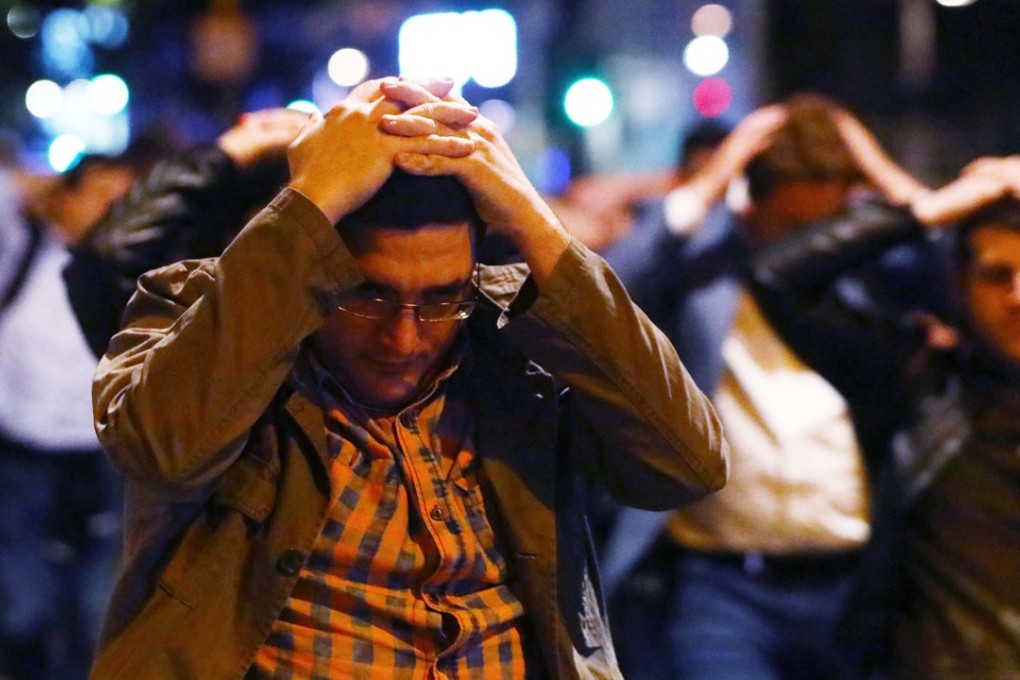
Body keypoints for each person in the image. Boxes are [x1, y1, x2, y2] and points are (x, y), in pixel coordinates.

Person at [88, 76, 728, 679]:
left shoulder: (512, 339)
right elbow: (162, 451)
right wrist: (311, 202)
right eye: (367, 296)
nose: (404, 337)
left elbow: (686, 465)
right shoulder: (204, 311)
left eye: (443, 297)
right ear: (319, 262)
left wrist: (537, 224)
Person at [598, 93, 952, 680]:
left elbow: (950, 265)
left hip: (853, 585)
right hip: (721, 587)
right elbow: (605, 288)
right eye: (791, 225)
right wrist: (712, 178)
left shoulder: (866, 270)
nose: (809, 243)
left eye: (827, 224)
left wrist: (881, 171)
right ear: (749, 204)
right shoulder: (703, 266)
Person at [750, 155, 1020, 679]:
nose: (1019, 297)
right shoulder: (921, 379)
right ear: (959, 284)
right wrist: (929, 211)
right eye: (997, 276)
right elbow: (776, 277)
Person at [0, 152, 144, 680]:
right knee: (24, 606)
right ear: (67, 197)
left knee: (97, 608)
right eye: (104, 199)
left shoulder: (140, 277)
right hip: (22, 463)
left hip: (102, 462)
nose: (117, 213)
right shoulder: (20, 251)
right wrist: (30, 185)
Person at [64, 107, 307, 357]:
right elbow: (106, 268)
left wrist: (231, 149)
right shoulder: (215, 327)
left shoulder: (265, 343)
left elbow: (106, 262)